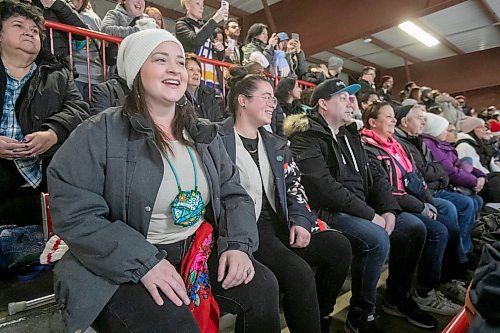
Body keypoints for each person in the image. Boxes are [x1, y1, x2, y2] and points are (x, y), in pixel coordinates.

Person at [47, 29, 280, 333]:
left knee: (263, 287)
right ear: (136, 71)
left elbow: (234, 193)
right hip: (121, 261)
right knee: (174, 324)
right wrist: (144, 262)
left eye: (180, 62)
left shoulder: (203, 133)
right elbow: (76, 213)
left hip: (196, 250)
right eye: (160, 60)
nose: (175, 69)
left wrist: (237, 244)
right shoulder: (99, 132)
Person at [284, 79, 435, 332]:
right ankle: (361, 314)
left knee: (414, 228)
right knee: (376, 238)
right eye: (342, 97)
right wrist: (370, 215)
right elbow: (323, 187)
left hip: (357, 206)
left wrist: (387, 209)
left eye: (350, 97)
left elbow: (375, 175)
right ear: (323, 103)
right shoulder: (306, 135)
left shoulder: (349, 134)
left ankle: (397, 297)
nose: (350, 101)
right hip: (326, 210)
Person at [217, 68, 351, 333]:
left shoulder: (276, 144)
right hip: (248, 229)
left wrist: (300, 219)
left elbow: (294, 185)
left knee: (339, 246)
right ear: (242, 100)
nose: (272, 103)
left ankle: (318, 316)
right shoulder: (217, 140)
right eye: (265, 96)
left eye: (273, 98)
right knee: (298, 274)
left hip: (280, 224)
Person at [360, 101, 462, 316]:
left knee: (446, 215)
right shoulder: (368, 147)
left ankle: (442, 279)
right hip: (388, 204)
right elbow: (384, 189)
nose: (393, 120)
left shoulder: (396, 144)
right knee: (433, 230)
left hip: (409, 198)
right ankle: (421, 291)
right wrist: (421, 206)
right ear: (372, 122)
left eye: (393, 117)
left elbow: (416, 177)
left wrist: (428, 202)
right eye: (388, 117)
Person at [0, 1, 89, 224]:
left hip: (42, 169)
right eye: (18, 26)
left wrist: (53, 133)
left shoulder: (57, 73)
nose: (29, 34)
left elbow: (79, 109)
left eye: (35, 31)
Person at [393, 104, 478, 303]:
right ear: (404, 122)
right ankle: (428, 287)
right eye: (418, 118)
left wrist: (437, 178)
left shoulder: (418, 140)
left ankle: (453, 270)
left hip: (426, 190)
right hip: (413, 195)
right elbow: (420, 174)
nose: (423, 121)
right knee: (446, 219)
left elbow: (437, 170)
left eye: (424, 118)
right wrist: (434, 184)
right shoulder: (402, 142)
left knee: (462, 209)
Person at [422, 113, 485, 253]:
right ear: (436, 130)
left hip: (445, 185)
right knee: (466, 203)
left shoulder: (442, 144)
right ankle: (460, 252)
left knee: (476, 200)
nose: (448, 132)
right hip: (436, 189)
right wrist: (475, 181)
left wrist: (480, 176)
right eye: (446, 129)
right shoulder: (430, 144)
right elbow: (450, 171)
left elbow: (458, 164)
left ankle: (467, 245)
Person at [175, 0, 227, 90]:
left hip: (212, 77)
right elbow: (195, 41)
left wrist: (219, 50)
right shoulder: (181, 25)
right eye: (197, 3)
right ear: (187, 6)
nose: (201, 7)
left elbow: (217, 57)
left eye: (202, 5)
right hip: (195, 76)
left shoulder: (205, 27)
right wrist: (214, 20)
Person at [68, 0, 103, 102]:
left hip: (95, 74)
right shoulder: (59, 16)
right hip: (74, 74)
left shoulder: (93, 18)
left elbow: (103, 45)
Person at [184, 53, 224, 122]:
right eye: (191, 69)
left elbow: (219, 121)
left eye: (198, 71)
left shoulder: (210, 94)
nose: (196, 73)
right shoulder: (177, 97)